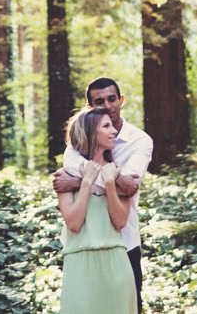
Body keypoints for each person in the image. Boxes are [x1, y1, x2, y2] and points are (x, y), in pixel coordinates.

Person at [53, 77, 153, 307]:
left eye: (112, 99)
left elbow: (129, 185)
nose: (108, 106)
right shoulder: (74, 148)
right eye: (100, 102)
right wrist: (108, 179)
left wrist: (78, 181)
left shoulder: (140, 141)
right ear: (89, 108)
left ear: (121, 100)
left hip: (124, 241)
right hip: (82, 248)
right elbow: (120, 183)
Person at [56, 106, 137, 314]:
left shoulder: (120, 176)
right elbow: (73, 224)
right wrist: (85, 183)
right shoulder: (65, 176)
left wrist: (110, 183)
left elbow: (119, 222)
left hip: (116, 264)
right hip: (80, 265)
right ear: (92, 132)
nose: (114, 131)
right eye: (106, 126)